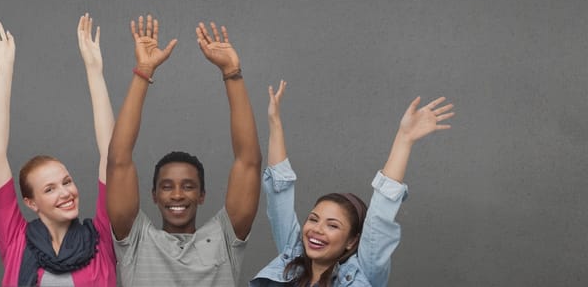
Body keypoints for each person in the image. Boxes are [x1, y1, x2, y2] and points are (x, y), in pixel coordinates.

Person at [106, 16, 262, 286]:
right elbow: (118, 161)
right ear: (153, 195)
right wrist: (144, 70)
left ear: (202, 195)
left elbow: (249, 162)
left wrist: (232, 73)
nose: (177, 194)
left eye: (188, 186)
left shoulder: (225, 239)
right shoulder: (136, 240)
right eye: (166, 187)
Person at [251, 81, 455, 287]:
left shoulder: (365, 273)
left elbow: (379, 216)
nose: (317, 229)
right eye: (313, 219)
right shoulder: (291, 261)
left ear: (351, 241)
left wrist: (404, 139)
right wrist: (274, 123)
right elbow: (279, 193)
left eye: (332, 225)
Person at [0, 14, 118, 286]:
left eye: (66, 182)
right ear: (30, 203)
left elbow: (112, 156)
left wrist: (94, 72)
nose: (65, 192)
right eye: (49, 189)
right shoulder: (16, 238)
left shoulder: (101, 237)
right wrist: (4, 72)